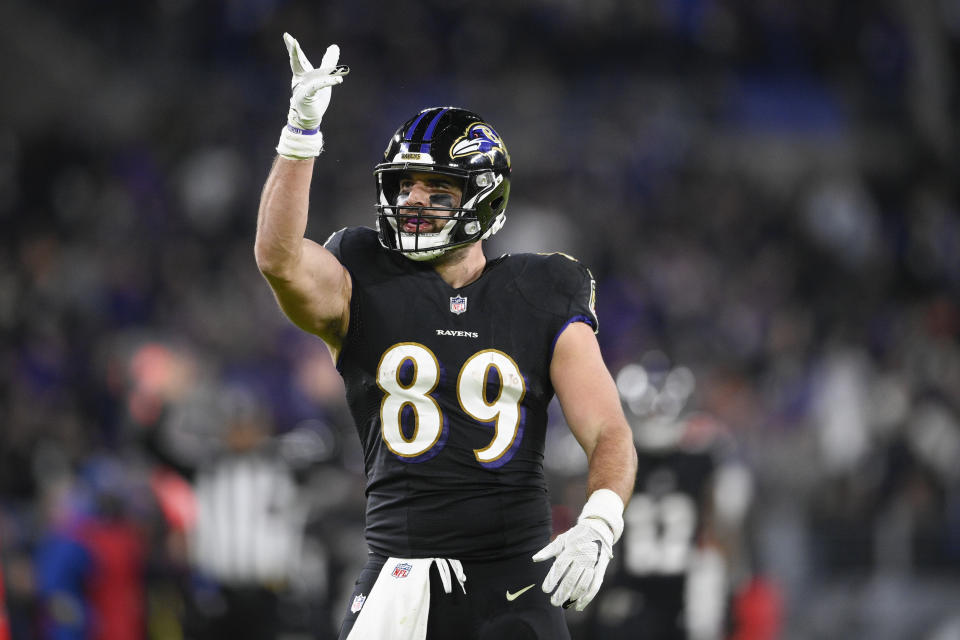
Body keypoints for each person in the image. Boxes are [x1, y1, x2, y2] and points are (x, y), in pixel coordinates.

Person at [255, 34, 637, 640]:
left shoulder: (544, 287)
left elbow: (608, 429)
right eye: (405, 187)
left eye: (437, 192)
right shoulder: (361, 271)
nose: (412, 203)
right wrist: (300, 133)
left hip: (515, 579)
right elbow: (278, 260)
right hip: (396, 576)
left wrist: (599, 521)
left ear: (484, 199)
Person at [580, 357, 760, 640]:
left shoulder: (619, 459)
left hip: (638, 593)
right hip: (681, 597)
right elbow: (727, 524)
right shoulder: (707, 456)